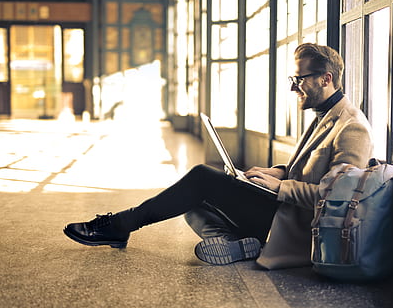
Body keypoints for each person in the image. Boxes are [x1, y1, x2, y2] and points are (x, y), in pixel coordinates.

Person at [63, 43, 373, 268]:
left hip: (295, 227)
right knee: (189, 205)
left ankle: (120, 225)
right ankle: (237, 245)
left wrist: (279, 187)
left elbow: (338, 201)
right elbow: (308, 169)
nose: (294, 88)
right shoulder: (326, 114)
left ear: (326, 78)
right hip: (281, 211)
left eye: (299, 79)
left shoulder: (351, 127)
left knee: (201, 178)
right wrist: (275, 172)